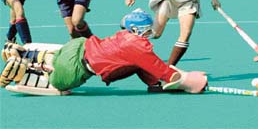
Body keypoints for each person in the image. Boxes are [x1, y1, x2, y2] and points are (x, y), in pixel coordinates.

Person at [0, 9, 207, 96]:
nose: (150, 32)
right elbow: (167, 73)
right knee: (57, 81)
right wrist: (192, 81)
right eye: (146, 29)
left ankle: (30, 56)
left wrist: (161, 78)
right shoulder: (138, 47)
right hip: (73, 69)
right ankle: (23, 71)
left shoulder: (123, 35)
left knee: (140, 65)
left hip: (77, 45)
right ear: (136, 30)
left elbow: (153, 66)